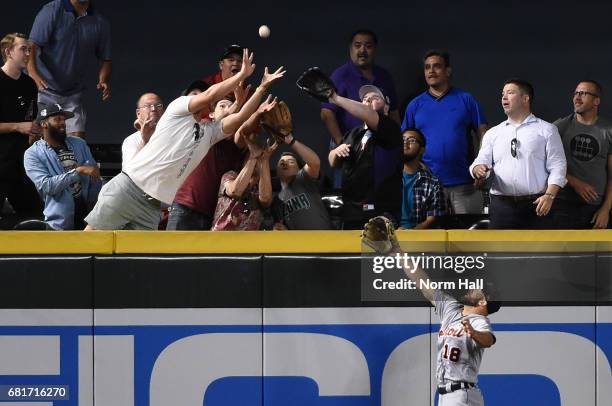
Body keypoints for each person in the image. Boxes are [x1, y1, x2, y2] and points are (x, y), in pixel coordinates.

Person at [84, 49, 284, 230]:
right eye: (194, 94)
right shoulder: (177, 110)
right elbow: (210, 94)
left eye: (201, 94)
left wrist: (261, 88)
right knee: (88, 243)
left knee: (140, 263)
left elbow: (239, 118)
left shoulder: (209, 134)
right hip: (129, 190)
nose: (199, 96)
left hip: (152, 207)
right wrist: (241, 75)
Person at [361, 217, 500, 406]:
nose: (472, 287)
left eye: (478, 288)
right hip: (446, 395)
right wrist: (397, 253)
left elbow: (488, 340)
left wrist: (474, 333)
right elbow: (423, 283)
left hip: (461, 394)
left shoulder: (478, 321)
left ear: (483, 301)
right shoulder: (451, 309)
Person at [167, 87, 271, 231]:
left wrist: (258, 113)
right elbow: (225, 121)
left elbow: (244, 128)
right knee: (174, 253)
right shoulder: (204, 128)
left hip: (212, 216)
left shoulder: (236, 142)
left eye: (230, 106)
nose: (227, 109)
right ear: (211, 114)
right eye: (222, 106)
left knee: (201, 255)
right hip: (185, 207)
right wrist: (255, 94)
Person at [470, 79, 566, 229]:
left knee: (539, 252)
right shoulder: (493, 133)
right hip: (502, 206)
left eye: (510, 93)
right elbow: (481, 161)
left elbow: (558, 166)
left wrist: (549, 196)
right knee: (500, 251)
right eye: (502, 94)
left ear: (525, 98)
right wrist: (478, 169)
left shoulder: (547, 130)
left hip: (537, 204)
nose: (504, 97)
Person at [401, 50, 487, 215]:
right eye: (427, 67)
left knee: (468, 237)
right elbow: (405, 141)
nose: (431, 71)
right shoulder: (415, 105)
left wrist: (481, 162)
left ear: (448, 71)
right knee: (429, 238)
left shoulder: (466, 99)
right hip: (425, 184)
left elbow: (483, 130)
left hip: (464, 184)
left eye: (436, 66)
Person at [321, 29, 400, 188]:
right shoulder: (340, 75)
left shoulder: (384, 76)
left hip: (381, 149)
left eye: (368, 46)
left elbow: (392, 115)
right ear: (351, 49)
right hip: (352, 147)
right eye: (357, 45)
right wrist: (340, 144)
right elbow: (327, 113)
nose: (362, 50)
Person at [28, 0, 112, 138]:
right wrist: (33, 74)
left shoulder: (100, 22)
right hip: (44, 91)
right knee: (36, 141)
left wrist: (103, 79)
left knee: (77, 146)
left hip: (73, 95)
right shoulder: (52, 10)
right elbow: (32, 46)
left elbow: (106, 59)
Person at [328, 84, 402, 229]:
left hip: (381, 211)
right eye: (365, 99)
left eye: (375, 98)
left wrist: (335, 98)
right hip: (352, 211)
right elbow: (333, 162)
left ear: (386, 107)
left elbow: (369, 114)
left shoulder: (391, 128)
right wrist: (335, 152)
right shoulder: (353, 134)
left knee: (379, 251)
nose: (368, 100)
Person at [24, 104, 101, 230]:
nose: (63, 123)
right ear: (44, 124)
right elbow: (46, 186)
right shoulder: (32, 154)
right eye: (57, 119)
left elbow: (94, 174)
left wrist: (95, 206)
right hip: (60, 222)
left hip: (89, 216)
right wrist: (78, 171)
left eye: (63, 119)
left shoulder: (79, 143)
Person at [553, 80, 612, 229]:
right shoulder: (559, 127)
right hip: (562, 205)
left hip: (595, 209)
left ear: (596, 101)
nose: (577, 98)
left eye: (584, 93)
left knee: (594, 253)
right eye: (576, 93)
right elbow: (544, 164)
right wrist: (574, 182)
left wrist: (606, 209)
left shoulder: (608, 131)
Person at [0, 32, 43, 228]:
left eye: (29, 49)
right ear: (8, 52)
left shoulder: (29, 85)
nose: (28, 53)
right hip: (1, 161)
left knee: (34, 215)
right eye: (23, 49)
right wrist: (17, 126)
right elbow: (21, 125)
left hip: (21, 163)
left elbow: (30, 120)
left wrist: (35, 131)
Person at [211, 135, 276, 231]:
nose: (256, 161)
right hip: (220, 238)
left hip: (247, 243)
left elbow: (265, 200)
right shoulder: (230, 175)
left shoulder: (264, 185)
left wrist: (265, 160)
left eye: (259, 159)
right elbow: (235, 191)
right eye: (250, 157)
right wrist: (253, 157)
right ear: (245, 161)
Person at [273, 133, 332, 230]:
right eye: (281, 162)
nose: (285, 163)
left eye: (291, 162)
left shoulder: (302, 178)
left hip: (323, 239)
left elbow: (315, 162)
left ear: (299, 169)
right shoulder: (277, 201)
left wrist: (291, 141)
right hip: (299, 243)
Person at [400, 128, 446, 229]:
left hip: (419, 237)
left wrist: (411, 233)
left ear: (422, 149)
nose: (405, 143)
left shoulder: (433, 183)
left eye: (411, 140)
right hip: (389, 237)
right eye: (402, 139)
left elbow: (433, 219)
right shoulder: (389, 178)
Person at [122, 93, 164, 167]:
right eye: (147, 106)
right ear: (138, 113)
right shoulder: (131, 140)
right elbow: (130, 170)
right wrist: (145, 140)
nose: (154, 109)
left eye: (158, 106)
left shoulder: (172, 134)